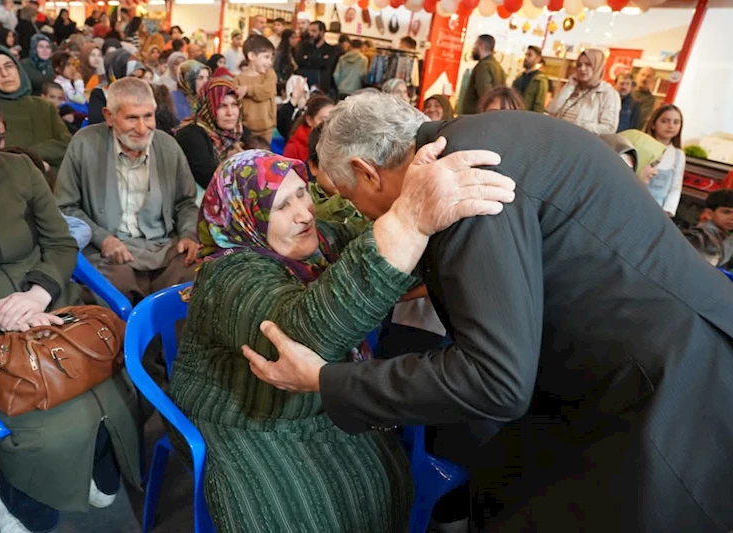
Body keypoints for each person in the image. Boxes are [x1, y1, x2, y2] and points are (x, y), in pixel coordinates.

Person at [237, 91, 733, 533]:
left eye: (350, 197)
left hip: (668, 397)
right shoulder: (476, 136)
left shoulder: (457, 182)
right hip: (665, 353)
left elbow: (494, 379)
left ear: (368, 172)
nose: (363, 215)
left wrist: (327, 380)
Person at [167, 138, 511, 532]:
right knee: (286, 511)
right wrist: (409, 220)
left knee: (382, 483)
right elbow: (303, 336)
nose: (304, 214)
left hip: (309, 400)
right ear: (246, 218)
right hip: (246, 413)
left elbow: (389, 257)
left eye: (301, 194)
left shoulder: (315, 245)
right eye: (282, 206)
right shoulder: (227, 276)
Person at [0, 57, 140, 533]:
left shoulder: (21, 170)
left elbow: (61, 243)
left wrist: (39, 293)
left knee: (122, 381)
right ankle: (23, 497)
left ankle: (99, 454)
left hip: (49, 305)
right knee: (52, 415)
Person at [56, 77, 200, 303]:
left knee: (195, 283)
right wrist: (103, 239)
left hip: (164, 248)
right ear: (109, 116)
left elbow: (186, 202)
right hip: (111, 254)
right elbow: (66, 207)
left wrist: (188, 234)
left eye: (148, 116)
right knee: (108, 293)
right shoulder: (84, 145)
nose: (143, 129)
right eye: (132, 118)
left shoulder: (168, 146)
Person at [0, 45, 71, 171]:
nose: (5, 74)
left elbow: (66, 143)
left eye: (9, 66)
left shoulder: (44, 106)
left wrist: (32, 154)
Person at [175, 77, 245, 189]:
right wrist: (232, 163)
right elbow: (209, 181)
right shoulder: (191, 135)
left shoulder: (236, 132)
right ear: (208, 106)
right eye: (222, 106)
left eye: (234, 104)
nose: (230, 113)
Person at [306, 124, 367, 231]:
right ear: (314, 167)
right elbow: (318, 213)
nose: (342, 175)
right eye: (333, 168)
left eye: (349, 167)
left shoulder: (366, 192)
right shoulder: (305, 197)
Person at [547, 48, 620, 135]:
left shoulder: (607, 93)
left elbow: (609, 128)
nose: (582, 68)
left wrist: (579, 126)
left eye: (588, 64)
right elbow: (552, 111)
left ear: (598, 66)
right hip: (560, 138)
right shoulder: (572, 87)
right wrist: (569, 87)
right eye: (579, 65)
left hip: (584, 144)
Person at [644, 104, 686, 217]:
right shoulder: (642, 145)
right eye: (665, 121)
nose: (670, 126)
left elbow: (675, 187)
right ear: (653, 124)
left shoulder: (679, 155)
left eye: (676, 122)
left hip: (658, 211)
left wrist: (668, 211)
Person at [235, 34, 277, 142]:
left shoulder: (269, 74)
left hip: (267, 129)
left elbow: (268, 90)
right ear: (252, 56)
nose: (269, 62)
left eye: (271, 58)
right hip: (247, 130)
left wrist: (247, 90)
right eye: (266, 57)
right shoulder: (238, 79)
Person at [88, 49, 145, 125]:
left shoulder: (143, 93)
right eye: (131, 76)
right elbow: (97, 123)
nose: (136, 81)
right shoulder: (100, 93)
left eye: (139, 77)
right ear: (119, 73)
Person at [685, 189, 733, 269]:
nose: (732, 218)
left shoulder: (722, 235)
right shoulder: (699, 236)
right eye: (726, 212)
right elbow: (711, 261)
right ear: (709, 214)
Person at [461, 35, 507, 115]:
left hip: (476, 116)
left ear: (481, 46)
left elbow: (485, 95)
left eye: (475, 45)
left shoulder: (483, 66)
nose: (473, 49)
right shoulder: (498, 67)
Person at [283, 95, 334, 161]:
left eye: (333, 119)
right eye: (323, 120)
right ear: (309, 120)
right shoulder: (293, 148)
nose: (329, 124)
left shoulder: (338, 143)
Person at [296, 21, 335, 95]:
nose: (311, 34)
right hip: (304, 88)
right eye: (309, 31)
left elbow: (325, 63)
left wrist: (308, 58)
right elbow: (300, 62)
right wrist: (318, 60)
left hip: (322, 89)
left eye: (314, 31)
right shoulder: (304, 47)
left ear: (322, 32)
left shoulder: (330, 49)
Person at [512, 45, 547, 113]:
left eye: (530, 55)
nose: (526, 58)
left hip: (527, 117)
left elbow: (539, 105)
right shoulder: (519, 78)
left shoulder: (540, 80)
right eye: (526, 55)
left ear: (537, 59)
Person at [277, 74, 309, 139]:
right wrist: (294, 99)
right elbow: (286, 130)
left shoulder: (311, 109)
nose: (301, 96)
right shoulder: (282, 110)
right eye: (299, 92)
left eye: (304, 92)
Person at [274, 29, 299, 93]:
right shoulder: (280, 53)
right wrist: (281, 81)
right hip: (283, 84)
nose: (295, 40)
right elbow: (276, 69)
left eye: (296, 37)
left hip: (291, 82)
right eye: (293, 38)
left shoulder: (293, 52)